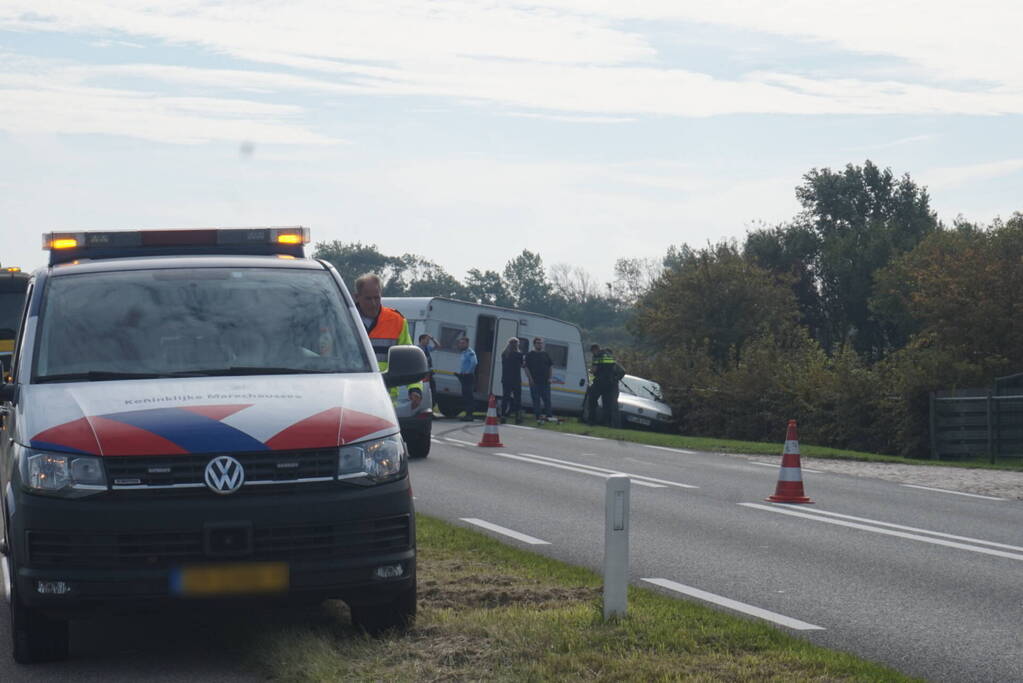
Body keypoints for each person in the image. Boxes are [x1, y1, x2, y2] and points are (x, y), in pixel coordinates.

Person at [353, 273, 422, 411]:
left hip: (384, 402)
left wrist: (415, 388)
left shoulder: (397, 321)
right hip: (350, 398)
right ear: (356, 297)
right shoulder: (344, 319)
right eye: (368, 299)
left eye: (377, 298)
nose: (373, 303)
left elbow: (409, 360)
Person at [524, 336, 554, 425]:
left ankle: (549, 416)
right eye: (538, 343)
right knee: (536, 400)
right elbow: (526, 367)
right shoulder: (529, 355)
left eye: (541, 343)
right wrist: (530, 378)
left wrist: (550, 378)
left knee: (547, 400)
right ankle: (538, 417)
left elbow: (551, 366)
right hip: (534, 382)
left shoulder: (545, 354)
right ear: (534, 344)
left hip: (545, 382)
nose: (540, 344)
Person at [593, 346, 623, 428]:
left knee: (613, 406)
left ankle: (616, 425)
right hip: (607, 387)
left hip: (613, 387)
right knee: (606, 405)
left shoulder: (614, 364)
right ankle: (607, 423)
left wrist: (614, 379)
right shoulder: (604, 364)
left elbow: (622, 372)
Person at [499, 337, 525, 424]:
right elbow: (522, 365)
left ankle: (503, 416)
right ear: (517, 344)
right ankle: (518, 418)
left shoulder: (504, 353)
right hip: (516, 379)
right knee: (518, 399)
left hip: (506, 378)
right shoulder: (519, 354)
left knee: (505, 398)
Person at [455, 336, 478, 421]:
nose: (461, 344)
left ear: (467, 344)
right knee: (465, 396)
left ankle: (470, 415)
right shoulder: (464, 352)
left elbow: (474, 362)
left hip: (468, 377)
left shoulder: (470, 352)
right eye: (460, 343)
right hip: (463, 377)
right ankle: (467, 414)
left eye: (463, 343)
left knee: (468, 396)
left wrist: (467, 372)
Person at [417, 333, 439, 410]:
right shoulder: (418, 349)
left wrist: (432, 338)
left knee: (433, 392)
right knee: (424, 391)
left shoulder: (427, 348)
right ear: (422, 340)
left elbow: (438, 346)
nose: (428, 341)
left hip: (429, 372)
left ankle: (431, 408)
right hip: (422, 373)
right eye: (427, 339)